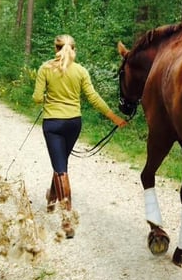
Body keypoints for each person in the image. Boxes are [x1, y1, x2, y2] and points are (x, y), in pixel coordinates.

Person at [33, 34, 127, 238]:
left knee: (60, 168)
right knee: (61, 163)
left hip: (53, 124)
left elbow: (37, 98)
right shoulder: (81, 71)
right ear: (74, 49)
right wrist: (115, 118)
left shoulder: (45, 69)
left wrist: (48, 96)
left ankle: (67, 220)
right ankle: (51, 198)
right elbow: (93, 97)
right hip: (74, 124)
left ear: (55, 48)